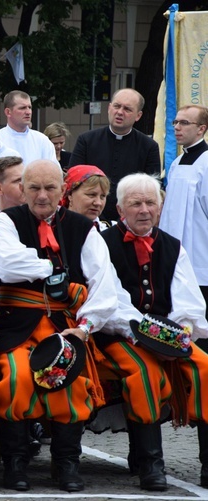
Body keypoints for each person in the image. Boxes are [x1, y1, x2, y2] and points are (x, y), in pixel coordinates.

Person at [0, 159, 118, 492]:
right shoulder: (7, 220)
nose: (42, 195)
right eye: (33, 187)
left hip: (65, 327)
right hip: (17, 328)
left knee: (71, 380)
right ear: (23, 189)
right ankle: (15, 463)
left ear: (63, 189)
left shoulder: (82, 228)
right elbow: (7, 264)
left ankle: (66, 463)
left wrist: (85, 327)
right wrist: (54, 266)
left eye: (50, 188)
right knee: (16, 378)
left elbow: (104, 283)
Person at [89, 173, 208, 491]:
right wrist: (143, 332)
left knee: (206, 368)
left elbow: (187, 302)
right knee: (144, 373)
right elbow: (108, 301)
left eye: (150, 202)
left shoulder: (172, 246)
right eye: (135, 203)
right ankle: (149, 463)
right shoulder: (102, 244)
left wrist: (177, 332)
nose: (144, 209)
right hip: (118, 335)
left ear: (161, 205)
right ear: (119, 208)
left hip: (166, 335)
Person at [68, 88, 161, 221]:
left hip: (129, 220)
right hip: (90, 216)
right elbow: (74, 180)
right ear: (109, 108)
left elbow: (151, 188)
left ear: (138, 116)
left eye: (127, 109)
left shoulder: (149, 146)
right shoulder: (87, 140)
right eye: (117, 106)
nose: (119, 112)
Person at [160, 104, 208, 318]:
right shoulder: (177, 162)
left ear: (201, 129)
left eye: (184, 123)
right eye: (175, 122)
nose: (177, 127)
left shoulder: (206, 163)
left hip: (200, 254)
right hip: (174, 249)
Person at [0, 91, 56, 165]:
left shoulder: (42, 141)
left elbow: (53, 171)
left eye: (29, 107)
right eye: (22, 108)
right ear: (8, 112)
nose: (28, 112)